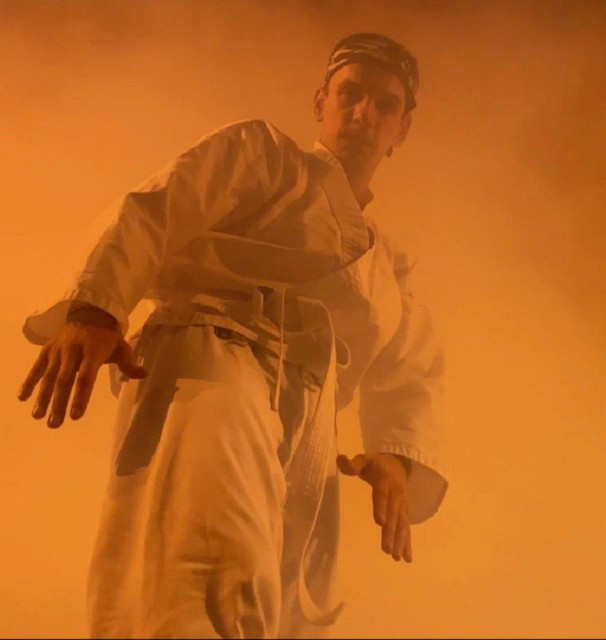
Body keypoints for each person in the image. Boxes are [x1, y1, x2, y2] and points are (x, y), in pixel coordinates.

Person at [18, 32, 448, 639]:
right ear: (320, 102)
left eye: (385, 104)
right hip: (211, 363)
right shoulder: (264, 155)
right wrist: (95, 309)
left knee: (276, 604)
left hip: (307, 425)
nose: (363, 114)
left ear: (402, 128)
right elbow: (158, 207)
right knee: (209, 563)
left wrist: (397, 456)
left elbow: (410, 366)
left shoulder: (390, 265)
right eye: (350, 94)